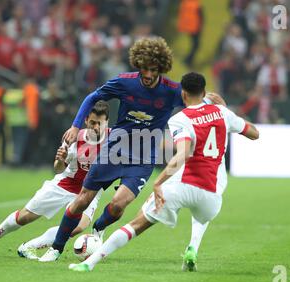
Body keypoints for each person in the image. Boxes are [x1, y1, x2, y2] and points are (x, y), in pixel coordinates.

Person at [39, 37, 222, 262]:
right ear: (138, 65)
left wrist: (214, 104)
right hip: (115, 148)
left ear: (161, 68)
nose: (148, 74)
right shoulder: (125, 83)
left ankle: (98, 229)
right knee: (83, 199)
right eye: (144, 68)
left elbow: (198, 104)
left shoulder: (172, 91)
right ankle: (56, 248)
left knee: (118, 206)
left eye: (153, 69)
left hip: (144, 157)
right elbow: (93, 97)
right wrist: (76, 126)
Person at [68, 72, 259, 272]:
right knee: (201, 214)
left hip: (184, 186)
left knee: (137, 224)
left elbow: (183, 154)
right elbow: (254, 133)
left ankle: (89, 263)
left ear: (183, 94)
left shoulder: (180, 118)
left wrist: (158, 182)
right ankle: (193, 246)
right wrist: (225, 113)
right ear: (204, 92)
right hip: (211, 196)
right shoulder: (222, 113)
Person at [0, 102, 109, 259]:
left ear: (107, 122)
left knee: (78, 226)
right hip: (65, 185)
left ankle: (29, 247)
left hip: (89, 192)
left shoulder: (113, 140)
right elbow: (58, 169)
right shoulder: (73, 138)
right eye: (92, 123)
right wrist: (60, 160)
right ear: (85, 121)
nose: (96, 127)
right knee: (24, 217)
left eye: (100, 123)